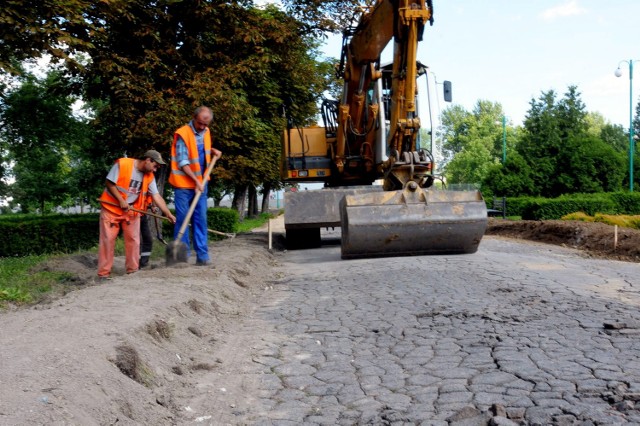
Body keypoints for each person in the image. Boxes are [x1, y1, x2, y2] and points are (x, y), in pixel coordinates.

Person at [98, 150, 176, 279]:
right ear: (148, 160)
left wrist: (168, 214)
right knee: (107, 241)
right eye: (155, 166)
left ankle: (132, 271)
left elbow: (156, 196)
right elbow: (109, 183)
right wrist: (121, 200)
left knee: (134, 241)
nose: (155, 170)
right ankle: (103, 274)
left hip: (132, 210)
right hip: (111, 208)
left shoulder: (149, 176)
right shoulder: (123, 164)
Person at [169, 106, 222, 266]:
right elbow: (183, 162)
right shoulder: (183, 134)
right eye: (200, 123)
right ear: (194, 118)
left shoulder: (206, 133)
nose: (202, 127)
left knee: (201, 220)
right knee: (183, 218)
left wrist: (214, 152)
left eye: (206, 125)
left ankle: (202, 256)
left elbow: (202, 154)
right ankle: (181, 258)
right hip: (184, 185)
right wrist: (196, 181)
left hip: (201, 184)